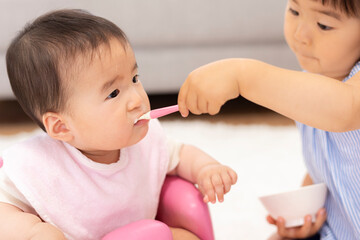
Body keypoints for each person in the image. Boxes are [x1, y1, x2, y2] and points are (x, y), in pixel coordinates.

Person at [0, 9, 237, 240]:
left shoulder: (145, 142)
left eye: (135, 79)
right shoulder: (39, 165)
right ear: (61, 127)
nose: (137, 99)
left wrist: (206, 169)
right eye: (113, 93)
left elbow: (179, 155)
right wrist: (31, 231)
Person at [178, 0, 360, 239]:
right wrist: (305, 211)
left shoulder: (341, 98)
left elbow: (346, 108)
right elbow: (329, 165)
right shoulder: (307, 87)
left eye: (324, 25)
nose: (300, 34)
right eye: (294, 11)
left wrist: (243, 75)